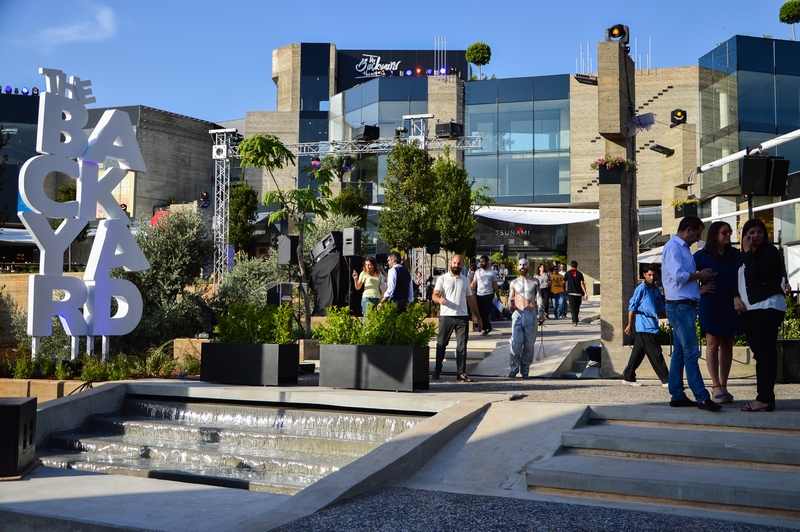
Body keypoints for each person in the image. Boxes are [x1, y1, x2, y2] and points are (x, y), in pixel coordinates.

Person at [662, 216, 720, 412]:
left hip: (682, 305)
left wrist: (700, 278)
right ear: (688, 230)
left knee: (679, 352)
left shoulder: (680, 248)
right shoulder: (674, 247)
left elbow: (679, 279)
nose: (698, 238)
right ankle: (702, 397)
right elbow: (678, 276)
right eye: (697, 233)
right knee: (691, 351)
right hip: (680, 307)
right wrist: (700, 276)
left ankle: (677, 394)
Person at [734, 218, 786, 412]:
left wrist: (747, 251)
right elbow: (737, 282)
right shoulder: (744, 258)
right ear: (744, 235)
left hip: (767, 306)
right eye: (751, 233)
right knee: (760, 353)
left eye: (759, 232)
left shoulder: (769, 252)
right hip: (750, 309)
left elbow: (757, 273)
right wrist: (735, 297)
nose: (755, 236)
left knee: (765, 353)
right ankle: (767, 399)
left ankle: (763, 398)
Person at [693, 221, 743, 403]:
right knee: (713, 343)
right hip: (711, 303)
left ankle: (724, 384)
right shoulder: (702, 256)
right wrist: (699, 291)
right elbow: (685, 277)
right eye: (725, 232)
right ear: (714, 235)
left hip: (730, 303)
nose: (728, 235)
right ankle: (715, 386)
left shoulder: (735, 255)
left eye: (730, 232)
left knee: (728, 344)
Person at [432, 254, 482, 382]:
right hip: (446, 316)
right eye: (454, 263)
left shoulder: (465, 280)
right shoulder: (442, 279)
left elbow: (470, 299)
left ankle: (461, 373)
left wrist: (478, 317)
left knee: (462, 346)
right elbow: (434, 295)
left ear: (462, 265)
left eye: (459, 264)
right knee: (441, 343)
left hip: (462, 317)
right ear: (450, 263)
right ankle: (437, 369)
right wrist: (439, 299)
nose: (456, 266)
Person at [622, 264, 669, 386]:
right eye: (649, 275)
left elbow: (660, 308)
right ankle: (666, 379)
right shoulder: (641, 289)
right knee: (655, 352)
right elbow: (632, 307)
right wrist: (630, 324)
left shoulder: (656, 290)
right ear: (644, 275)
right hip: (644, 325)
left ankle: (628, 376)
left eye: (654, 275)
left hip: (652, 324)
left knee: (638, 352)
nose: (652, 277)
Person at [508, 258, 545, 378]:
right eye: (520, 265)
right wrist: (510, 305)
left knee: (529, 344)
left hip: (531, 314)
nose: (522, 267)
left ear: (528, 267)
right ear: (517, 267)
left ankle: (525, 369)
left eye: (524, 265)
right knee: (515, 343)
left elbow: (539, 297)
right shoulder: (513, 282)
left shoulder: (534, 281)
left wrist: (541, 311)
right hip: (518, 314)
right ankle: (514, 368)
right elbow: (510, 298)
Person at [471, 255, 500, 336]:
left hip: (488, 295)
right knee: (480, 313)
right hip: (479, 295)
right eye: (480, 262)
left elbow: (495, 285)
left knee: (485, 313)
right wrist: (467, 290)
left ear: (487, 262)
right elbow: (474, 283)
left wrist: (498, 296)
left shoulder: (492, 272)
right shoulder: (477, 272)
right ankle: (488, 326)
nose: (481, 263)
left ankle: (484, 328)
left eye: (483, 261)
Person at [352, 257, 382, 321]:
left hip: (377, 298)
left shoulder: (378, 274)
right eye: (366, 264)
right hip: (367, 298)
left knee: (376, 320)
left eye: (369, 265)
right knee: (368, 320)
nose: (367, 266)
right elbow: (358, 287)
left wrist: (384, 272)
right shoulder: (363, 273)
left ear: (374, 265)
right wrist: (355, 279)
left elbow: (386, 281)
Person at [564, 261, 588, 326]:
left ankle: (574, 321)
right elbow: (582, 284)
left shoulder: (567, 273)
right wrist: (585, 293)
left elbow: (563, 282)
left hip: (571, 293)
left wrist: (564, 290)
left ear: (571, 266)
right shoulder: (580, 274)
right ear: (577, 266)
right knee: (577, 307)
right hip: (578, 293)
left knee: (572, 307)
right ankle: (576, 318)